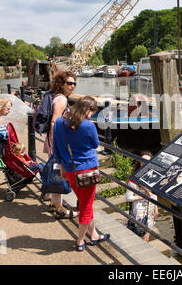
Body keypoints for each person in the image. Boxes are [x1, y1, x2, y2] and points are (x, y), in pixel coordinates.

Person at [53, 96, 109, 251]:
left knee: (84, 202)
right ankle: (80, 241)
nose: (91, 115)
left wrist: (61, 166)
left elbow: (56, 146)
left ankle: (95, 234)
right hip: (88, 170)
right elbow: (95, 144)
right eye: (91, 112)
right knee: (86, 206)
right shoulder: (88, 126)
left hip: (70, 169)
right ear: (87, 109)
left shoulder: (59, 122)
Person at [43, 71, 77, 218]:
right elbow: (54, 122)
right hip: (57, 142)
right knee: (58, 173)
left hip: (54, 141)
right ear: (61, 84)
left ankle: (53, 202)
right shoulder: (62, 100)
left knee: (57, 171)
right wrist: (59, 144)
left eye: (74, 83)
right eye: (69, 83)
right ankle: (59, 209)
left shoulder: (56, 97)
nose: (73, 86)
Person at [125, 151, 158, 242]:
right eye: (143, 161)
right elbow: (128, 198)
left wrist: (156, 208)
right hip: (139, 210)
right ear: (139, 162)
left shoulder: (153, 177)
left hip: (150, 209)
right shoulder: (133, 179)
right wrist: (143, 197)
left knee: (147, 234)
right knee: (139, 234)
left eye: (147, 162)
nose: (145, 164)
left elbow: (154, 194)